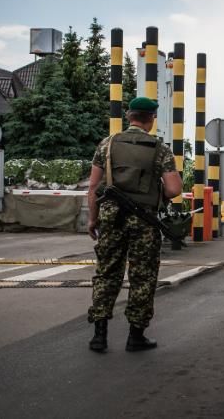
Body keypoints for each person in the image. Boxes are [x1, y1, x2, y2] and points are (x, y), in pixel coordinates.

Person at [86, 97, 182, 353]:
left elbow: (94, 186)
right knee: (143, 276)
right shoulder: (159, 149)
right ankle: (135, 336)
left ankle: (99, 336)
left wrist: (92, 218)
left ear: (129, 117)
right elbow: (174, 189)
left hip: (110, 217)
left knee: (107, 273)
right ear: (151, 119)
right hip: (143, 221)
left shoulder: (107, 144)